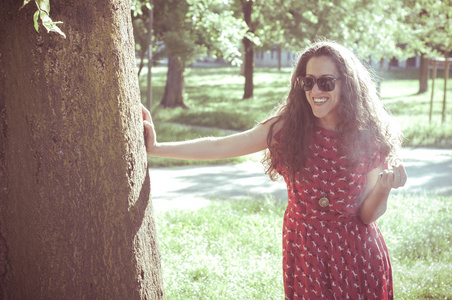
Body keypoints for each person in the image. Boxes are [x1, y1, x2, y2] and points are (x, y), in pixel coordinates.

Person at [141, 40, 407, 300]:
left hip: (355, 255)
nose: (316, 90)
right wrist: (156, 148)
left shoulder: (368, 135)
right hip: (306, 252)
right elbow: (220, 146)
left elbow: (368, 215)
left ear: (347, 84)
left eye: (326, 82)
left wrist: (384, 186)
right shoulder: (287, 127)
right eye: (308, 81)